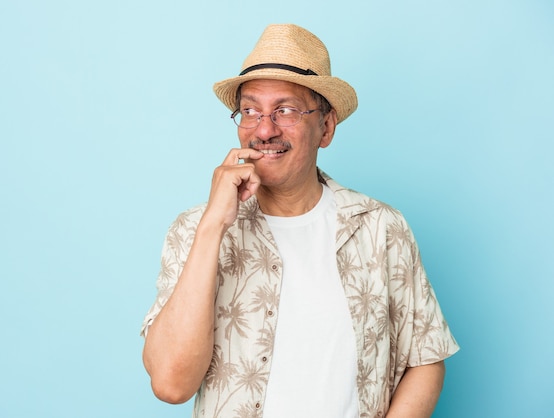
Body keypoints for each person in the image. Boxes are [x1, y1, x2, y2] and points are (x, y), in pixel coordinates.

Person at [141, 23, 459, 418]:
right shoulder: (194, 229)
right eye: (250, 110)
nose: (264, 129)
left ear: (326, 127)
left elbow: (426, 357)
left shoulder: (381, 228)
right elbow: (171, 385)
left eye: (285, 110)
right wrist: (213, 227)